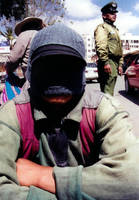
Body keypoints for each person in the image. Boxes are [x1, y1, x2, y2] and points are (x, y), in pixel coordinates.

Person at [0, 23, 139, 200]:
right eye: (48, 66)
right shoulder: (14, 113)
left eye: (66, 67)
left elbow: (133, 178)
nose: (57, 76)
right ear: (33, 72)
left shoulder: (100, 109)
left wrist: (42, 176)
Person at [0, 17, 45, 104]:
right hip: (46, 77)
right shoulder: (43, 35)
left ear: (24, 27)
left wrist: (8, 70)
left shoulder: (25, 34)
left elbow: (13, 59)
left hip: (33, 79)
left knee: (21, 104)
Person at [94, 1, 123, 96]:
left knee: (109, 92)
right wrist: (105, 62)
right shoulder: (102, 27)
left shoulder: (115, 29)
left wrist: (120, 64)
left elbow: (119, 49)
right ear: (104, 15)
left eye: (115, 13)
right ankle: (106, 110)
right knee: (107, 93)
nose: (114, 15)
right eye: (111, 13)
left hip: (114, 63)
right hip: (108, 61)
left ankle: (107, 109)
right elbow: (101, 45)